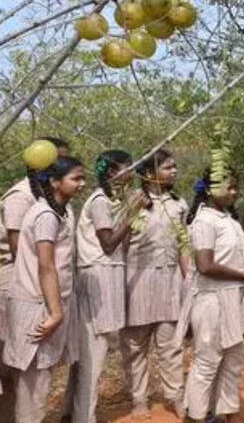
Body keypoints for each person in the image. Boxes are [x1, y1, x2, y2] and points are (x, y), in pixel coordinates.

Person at [182, 172, 244, 423]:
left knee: (232, 362)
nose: (234, 192)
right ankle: (197, 416)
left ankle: (229, 415)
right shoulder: (204, 222)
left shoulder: (229, 219)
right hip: (212, 301)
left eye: (236, 187)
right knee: (207, 363)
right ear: (209, 190)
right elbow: (205, 266)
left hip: (234, 298)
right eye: (229, 187)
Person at [4, 155, 83, 422]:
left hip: (42, 304)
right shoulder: (46, 216)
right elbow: (46, 267)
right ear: (54, 182)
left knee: (37, 386)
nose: (81, 184)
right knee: (34, 387)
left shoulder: (52, 212)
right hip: (39, 306)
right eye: (75, 178)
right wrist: (56, 313)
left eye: (82, 178)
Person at [70, 151, 146, 423]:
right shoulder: (100, 201)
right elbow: (109, 244)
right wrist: (133, 212)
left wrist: (129, 212)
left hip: (108, 279)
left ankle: (81, 415)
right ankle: (83, 417)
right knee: (93, 358)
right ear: (113, 171)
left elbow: (120, 246)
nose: (133, 173)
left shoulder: (112, 201)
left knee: (97, 356)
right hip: (97, 280)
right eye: (130, 168)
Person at [122, 148, 189, 417]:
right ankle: (138, 398)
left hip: (170, 279)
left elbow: (184, 245)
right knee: (135, 346)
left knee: (170, 344)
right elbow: (121, 244)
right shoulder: (131, 201)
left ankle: (175, 396)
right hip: (137, 279)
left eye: (174, 167)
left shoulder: (179, 204)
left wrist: (189, 279)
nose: (174, 171)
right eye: (168, 167)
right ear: (149, 174)